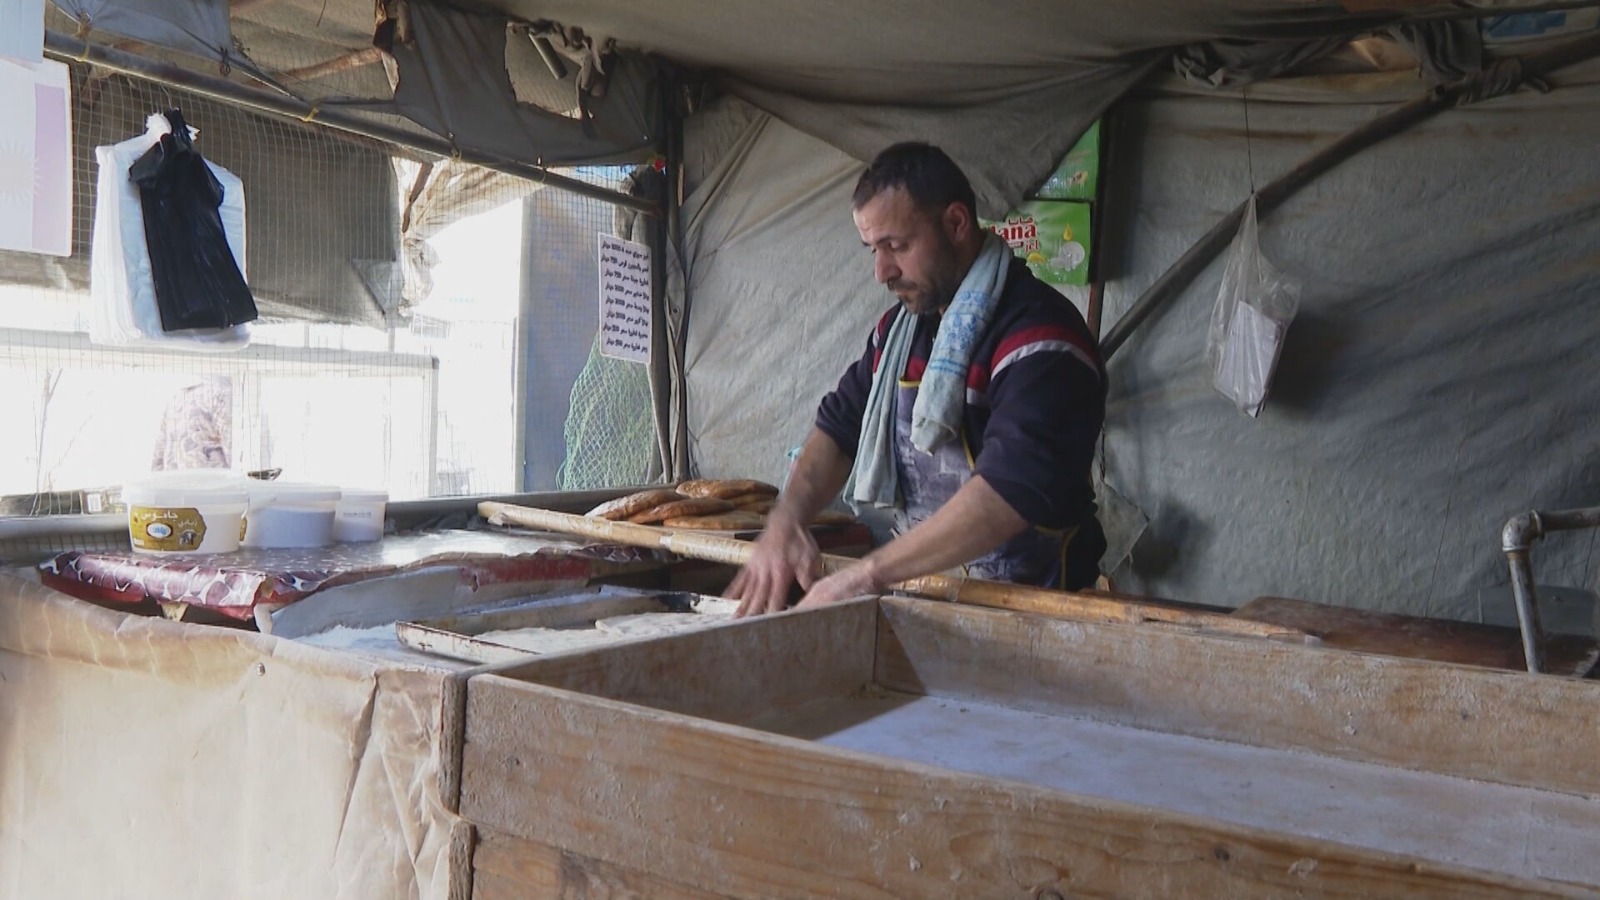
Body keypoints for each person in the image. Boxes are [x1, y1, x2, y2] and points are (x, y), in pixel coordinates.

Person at [729, 142, 1107, 617]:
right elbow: (839, 429)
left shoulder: (1039, 340)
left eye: (896, 246)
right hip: (930, 600)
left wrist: (867, 574)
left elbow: (1009, 493)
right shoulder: (899, 335)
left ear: (956, 223)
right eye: (873, 249)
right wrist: (785, 521)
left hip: (1037, 615)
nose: (881, 272)